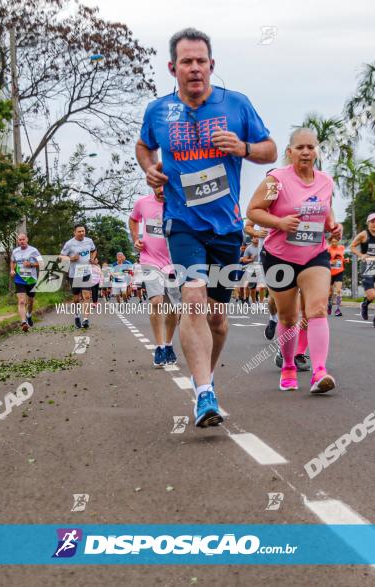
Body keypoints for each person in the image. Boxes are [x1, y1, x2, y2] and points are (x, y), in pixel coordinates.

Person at [136, 27, 276, 427]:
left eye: (201, 61)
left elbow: (269, 149)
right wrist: (150, 169)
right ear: (173, 68)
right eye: (186, 62)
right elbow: (144, 145)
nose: (194, 68)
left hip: (227, 228)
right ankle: (203, 393)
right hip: (182, 223)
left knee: (216, 316)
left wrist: (244, 148)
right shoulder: (159, 111)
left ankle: (207, 377)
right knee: (193, 299)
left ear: (211, 65)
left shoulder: (236, 105)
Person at [247, 127, 342, 393]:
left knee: (318, 310)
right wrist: (279, 222)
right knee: (288, 318)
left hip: (314, 254)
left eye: (311, 147)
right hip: (279, 256)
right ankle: (288, 365)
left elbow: (325, 208)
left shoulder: (325, 181)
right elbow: (253, 211)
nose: (306, 152)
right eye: (300, 147)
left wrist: (333, 225)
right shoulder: (276, 180)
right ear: (290, 152)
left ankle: (319, 372)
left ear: (316, 152)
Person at [129, 188, 181, 367]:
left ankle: (168, 344)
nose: (160, 190)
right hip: (149, 259)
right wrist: (135, 239)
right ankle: (159, 347)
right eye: (156, 186)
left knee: (174, 307)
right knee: (156, 301)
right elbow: (133, 219)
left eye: (164, 186)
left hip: (175, 262)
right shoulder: (142, 203)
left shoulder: (180, 203)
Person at [350, 213, 375, 328]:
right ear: (368, 223)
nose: (374, 224)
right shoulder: (363, 234)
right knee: (372, 296)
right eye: (372, 221)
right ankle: (365, 304)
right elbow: (352, 246)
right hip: (367, 265)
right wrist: (361, 255)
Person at [246, 218, 278, 338]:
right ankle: (273, 318)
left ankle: (286, 348)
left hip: (294, 255)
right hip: (269, 256)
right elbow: (247, 226)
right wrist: (257, 233)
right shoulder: (264, 202)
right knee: (274, 297)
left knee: (292, 302)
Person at [60, 225, 97, 329]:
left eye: (83, 231)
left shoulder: (89, 241)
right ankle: (77, 315)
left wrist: (92, 258)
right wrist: (71, 258)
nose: (81, 233)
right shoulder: (69, 243)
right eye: (79, 231)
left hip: (86, 272)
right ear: (74, 232)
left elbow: (94, 250)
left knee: (86, 296)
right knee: (76, 299)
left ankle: (85, 319)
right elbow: (61, 257)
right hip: (74, 274)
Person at [10, 233, 42, 332]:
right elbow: (13, 261)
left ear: (27, 239)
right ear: (18, 241)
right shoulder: (15, 251)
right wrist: (12, 270)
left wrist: (31, 264)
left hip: (31, 280)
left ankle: (29, 314)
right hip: (19, 279)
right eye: (20, 240)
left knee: (31, 301)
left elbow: (41, 263)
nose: (22, 241)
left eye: (23, 239)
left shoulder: (34, 250)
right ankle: (24, 322)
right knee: (22, 301)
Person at [327, 235, 348, 317]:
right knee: (330, 292)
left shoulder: (341, 248)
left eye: (336, 241)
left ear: (338, 242)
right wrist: (330, 262)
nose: (334, 243)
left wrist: (345, 260)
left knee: (338, 291)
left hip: (339, 271)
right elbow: (324, 260)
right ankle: (329, 305)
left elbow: (341, 259)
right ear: (330, 242)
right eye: (332, 242)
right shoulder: (327, 250)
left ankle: (337, 309)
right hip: (329, 273)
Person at [242, 236, 261, 304]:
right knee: (250, 285)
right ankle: (247, 299)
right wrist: (251, 259)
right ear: (252, 239)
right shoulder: (249, 248)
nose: (257, 238)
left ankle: (256, 299)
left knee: (260, 286)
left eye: (257, 237)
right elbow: (244, 260)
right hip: (251, 269)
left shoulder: (262, 247)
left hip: (260, 268)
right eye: (255, 237)